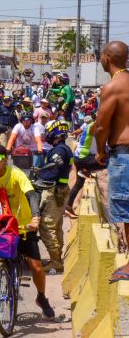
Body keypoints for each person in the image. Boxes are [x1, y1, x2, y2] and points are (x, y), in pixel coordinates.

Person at [0, 143, 55, 318]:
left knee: (36, 267)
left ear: (5, 161)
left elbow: (31, 194)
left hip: (23, 224)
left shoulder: (16, 173)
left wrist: (35, 218)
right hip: (0, 225)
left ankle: (41, 297)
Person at [94, 41, 129, 280]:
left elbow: (101, 126)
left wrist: (99, 151)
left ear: (107, 57)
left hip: (124, 153)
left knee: (126, 211)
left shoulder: (113, 87)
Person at [36, 120, 73, 273]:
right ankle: (57, 258)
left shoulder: (59, 150)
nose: (47, 135)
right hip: (61, 189)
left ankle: (55, 261)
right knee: (56, 225)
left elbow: (53, 171)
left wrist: (38, 176)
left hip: (55, 190)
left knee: (46, 225)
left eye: (49, 131)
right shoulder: (65, 148)